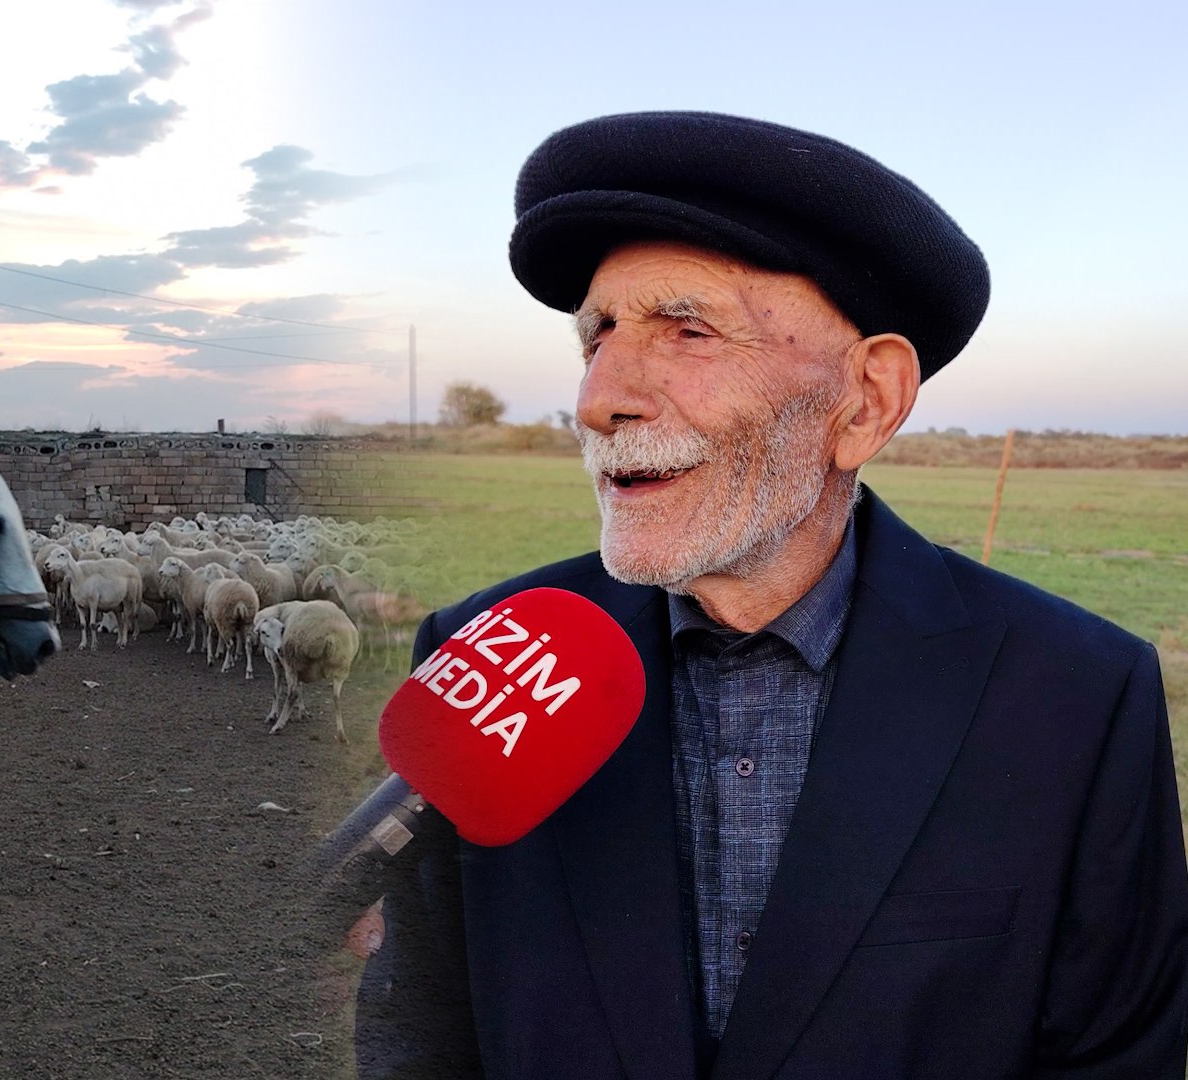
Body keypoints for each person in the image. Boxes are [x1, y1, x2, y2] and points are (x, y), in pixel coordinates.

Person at [354, 113, 1188, 1079]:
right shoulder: (482, 651)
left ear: (866, 400)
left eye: (688, 330)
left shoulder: (1077, 696)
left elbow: (1120, 1060)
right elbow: (420, 1038)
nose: (598, 397)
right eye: (599, 335)